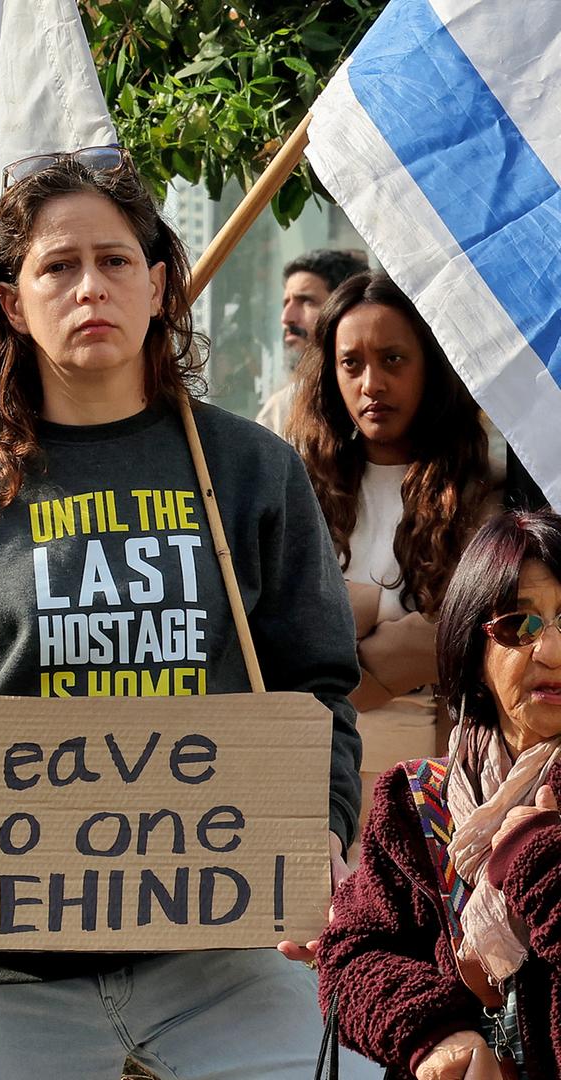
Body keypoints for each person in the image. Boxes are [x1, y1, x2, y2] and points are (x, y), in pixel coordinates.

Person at [0, 145, 363, 1076]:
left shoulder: (252, 471)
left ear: (160, 284)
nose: (92, 286)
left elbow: (316, 682)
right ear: (10, 300)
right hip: (3, 972)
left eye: (117, 261)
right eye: (58, 265)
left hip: (227, 951)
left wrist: (318, 829)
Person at [320, 509, 561, 1078]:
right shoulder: (416, 799)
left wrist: (534, 855)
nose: (550, 651)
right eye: (518, 625)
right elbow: (353, 955)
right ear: (475, 652)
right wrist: (438, 1036)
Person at [288, 271, 496, 792]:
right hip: (312, 774)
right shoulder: (295, 485)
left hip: (437, 785)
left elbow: (459, 640)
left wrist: (347, 632)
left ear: (430, 366)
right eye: (351, 364)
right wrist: (395, 610)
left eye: (393, 360)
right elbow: (283, 639)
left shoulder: (481, 494)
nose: (371, 384)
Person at [255, 248, 370, 437]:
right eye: (286, 303)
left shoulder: (379, 392)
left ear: (343, 308)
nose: (287, 318)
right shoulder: (280, 412)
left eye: (306, 301)